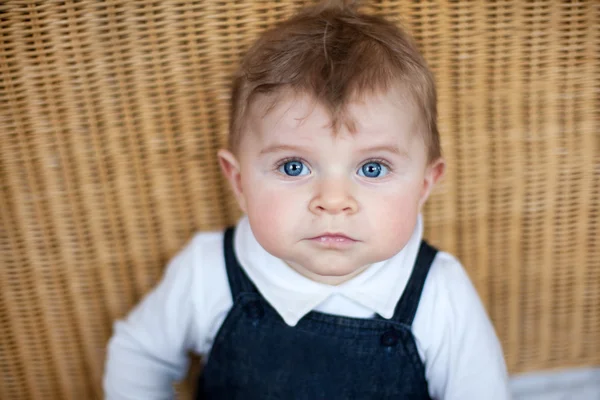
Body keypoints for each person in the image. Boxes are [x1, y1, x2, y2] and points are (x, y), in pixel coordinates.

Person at [103, 1, 510, 399]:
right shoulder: (207, 270)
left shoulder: (440, 291)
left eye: (372, 168)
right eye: (294, 166)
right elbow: (138, 354)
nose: (333, 201)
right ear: (239, 181)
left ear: (424, 185)